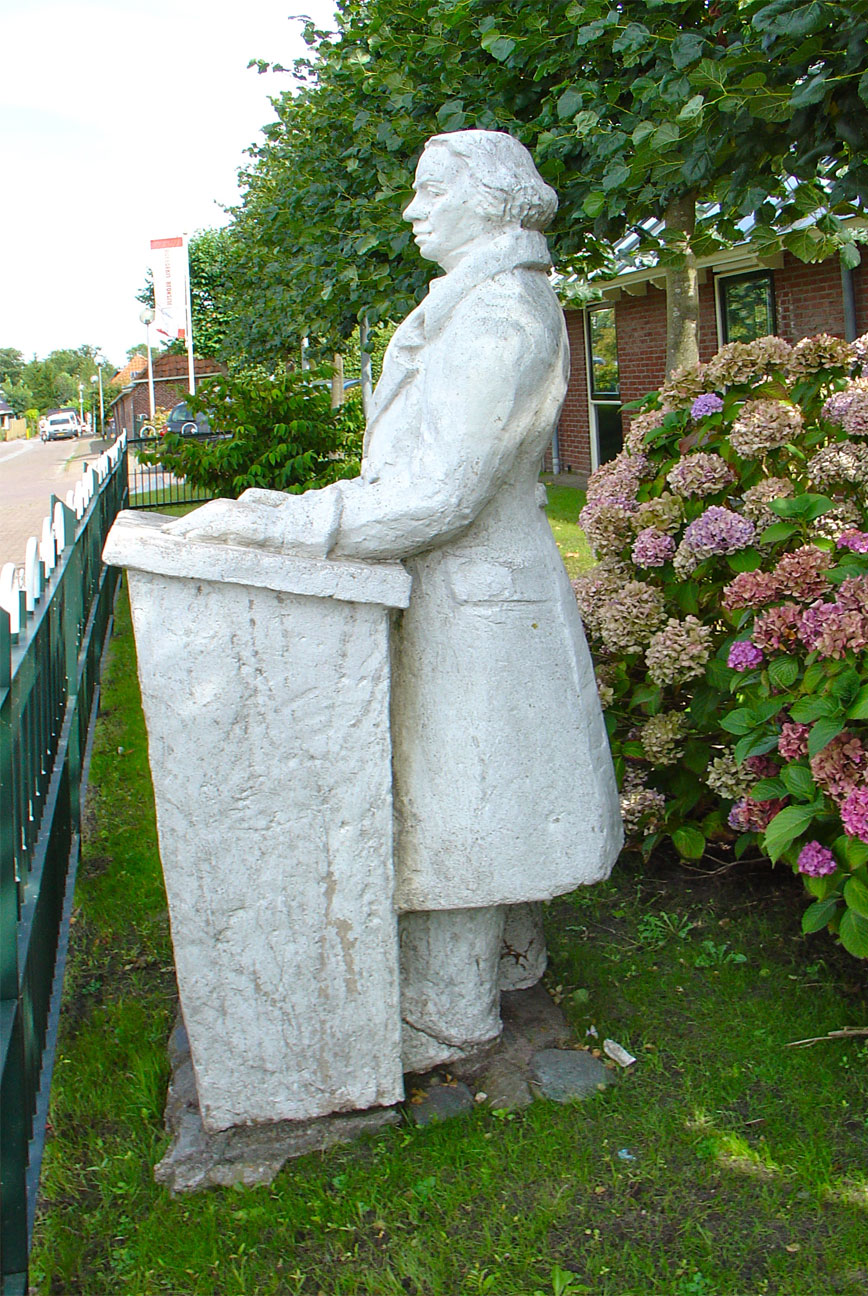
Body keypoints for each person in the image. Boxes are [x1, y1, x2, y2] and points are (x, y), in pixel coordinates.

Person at [166, 130, 622, 1068]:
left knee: (464, 797)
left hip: (473, 598)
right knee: (480, 786)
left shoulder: (502, 318)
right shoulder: (473, 308)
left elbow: (436, 494)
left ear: (490, 201)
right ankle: (510, 958)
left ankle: (452, 1014)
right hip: (460, 591)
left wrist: (276, 525)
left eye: (427, 193)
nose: (412, 212)